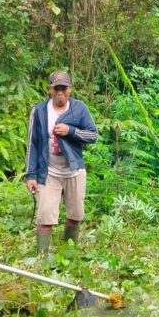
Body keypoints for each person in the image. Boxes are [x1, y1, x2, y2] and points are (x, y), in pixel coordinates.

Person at [25, 71, 98, 255]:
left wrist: (71, 131)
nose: (60, 92)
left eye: (63, 88)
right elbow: (32, 143)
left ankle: (68, 254)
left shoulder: (79, 109)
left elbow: (93, 135)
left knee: (75, 216)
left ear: (70, 90)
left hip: (74, 171)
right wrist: (30, 175)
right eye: (56, 88)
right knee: (45, 218)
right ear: (49, 90)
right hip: (48, 171)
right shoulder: (39, 110)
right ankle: (43, 257)